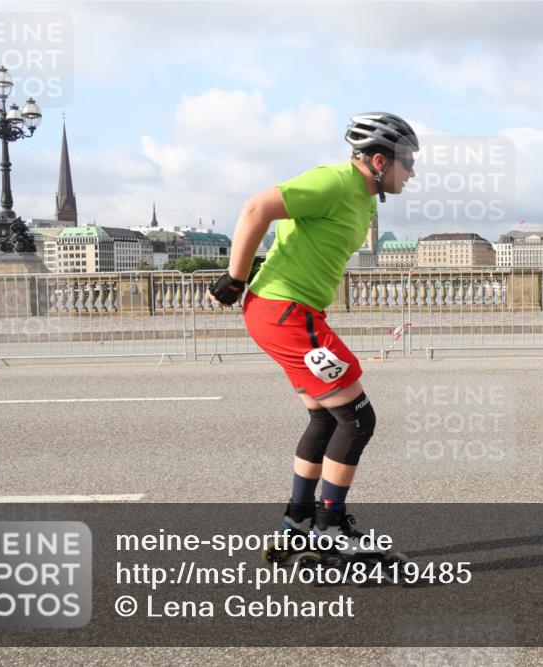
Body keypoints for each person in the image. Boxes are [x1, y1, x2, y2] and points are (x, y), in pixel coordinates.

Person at [208, 112, 418, 557]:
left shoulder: (364, 199)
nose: (413, 172)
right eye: (408, 162)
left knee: (325, 418)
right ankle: (331, 529)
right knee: (357, 419)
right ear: (380, 161)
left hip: (289, 313)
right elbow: (257, 208)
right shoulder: (335, 182)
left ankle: (296, 523)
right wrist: (234, 278)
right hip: (286, 313)